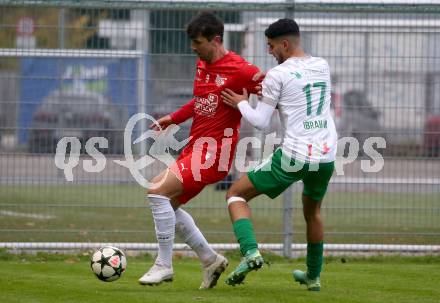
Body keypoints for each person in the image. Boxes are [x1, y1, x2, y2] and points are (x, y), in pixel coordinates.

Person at [138, 12, 262, 289]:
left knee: (156, 190)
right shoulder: (202, 64)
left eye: (197, 42)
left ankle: (164, 265)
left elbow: (275, 94)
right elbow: (201, 101)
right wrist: (175, 117)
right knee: (167, 204)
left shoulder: (242, 69)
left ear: (215, 39)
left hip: (215, 154)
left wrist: (245, 103)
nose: (193, 47)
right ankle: (210, 260)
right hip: (195, 147)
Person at [220, 18, 337, 291]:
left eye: (272, 46)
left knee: (235, 194)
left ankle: (250, 253)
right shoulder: (322, 65)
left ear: (284, 44)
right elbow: (300, 99)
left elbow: (260, 121)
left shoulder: (278, 75)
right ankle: (313, 277)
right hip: (326, 156)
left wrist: (241, 103)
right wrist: (272, 93)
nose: (270, 52)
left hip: (294, 156)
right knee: (314, 213)